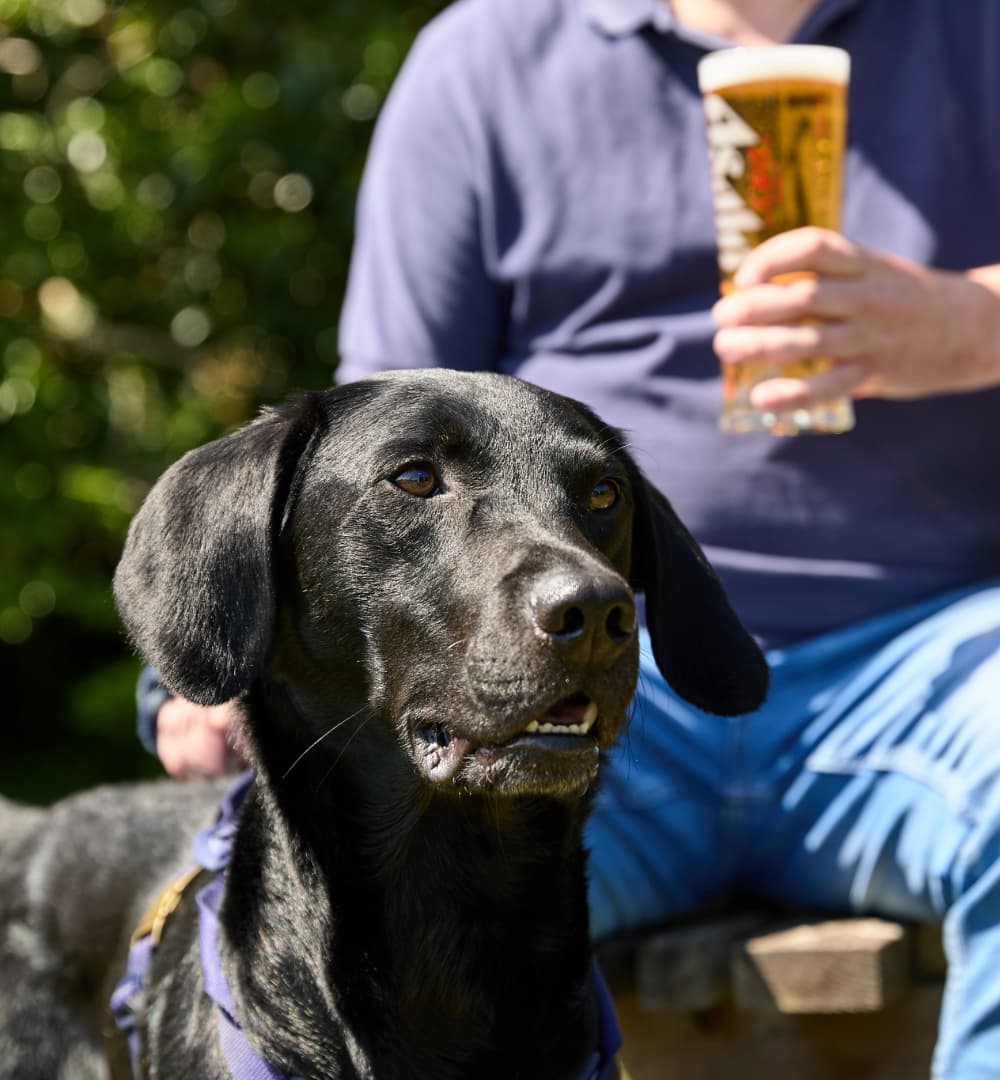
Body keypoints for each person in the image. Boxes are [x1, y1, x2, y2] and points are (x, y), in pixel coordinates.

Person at [140, 0, 1000, 1074]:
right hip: (586, 685)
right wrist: (213, 656)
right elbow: (381, 437)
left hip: (934, 670)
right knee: (349, 862)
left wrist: (976, 322)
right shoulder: (486, 60)